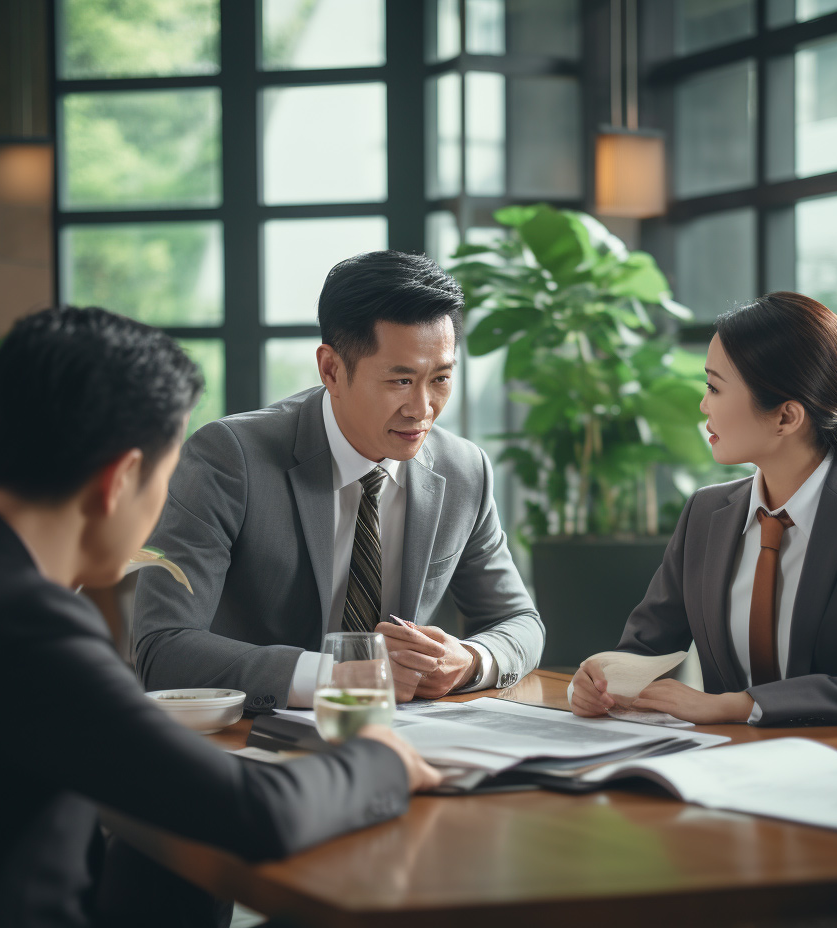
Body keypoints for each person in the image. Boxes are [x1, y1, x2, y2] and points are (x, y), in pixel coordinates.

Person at [0, 307, 439, 928]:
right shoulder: (25, 627)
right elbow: (253, 813)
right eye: (163, 480)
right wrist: (383, 758)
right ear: (120, 480)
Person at [133, 251, 543, 708]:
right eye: (401, 381)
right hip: (254, 740)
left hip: (412, 739)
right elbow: (161, 647)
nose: (422, 408)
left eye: (441, 378)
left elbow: (520, 622)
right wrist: (339, 678)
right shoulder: (231, 458)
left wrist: (469, 659)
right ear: (331, 369)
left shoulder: (464, 470)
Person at [570, 291, 837, 726]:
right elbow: (643, 649)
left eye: (714, 386)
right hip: (724, 767)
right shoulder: (706, 513)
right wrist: (600, 682)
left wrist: (739, 705)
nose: (702, 404)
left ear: (786, 417)